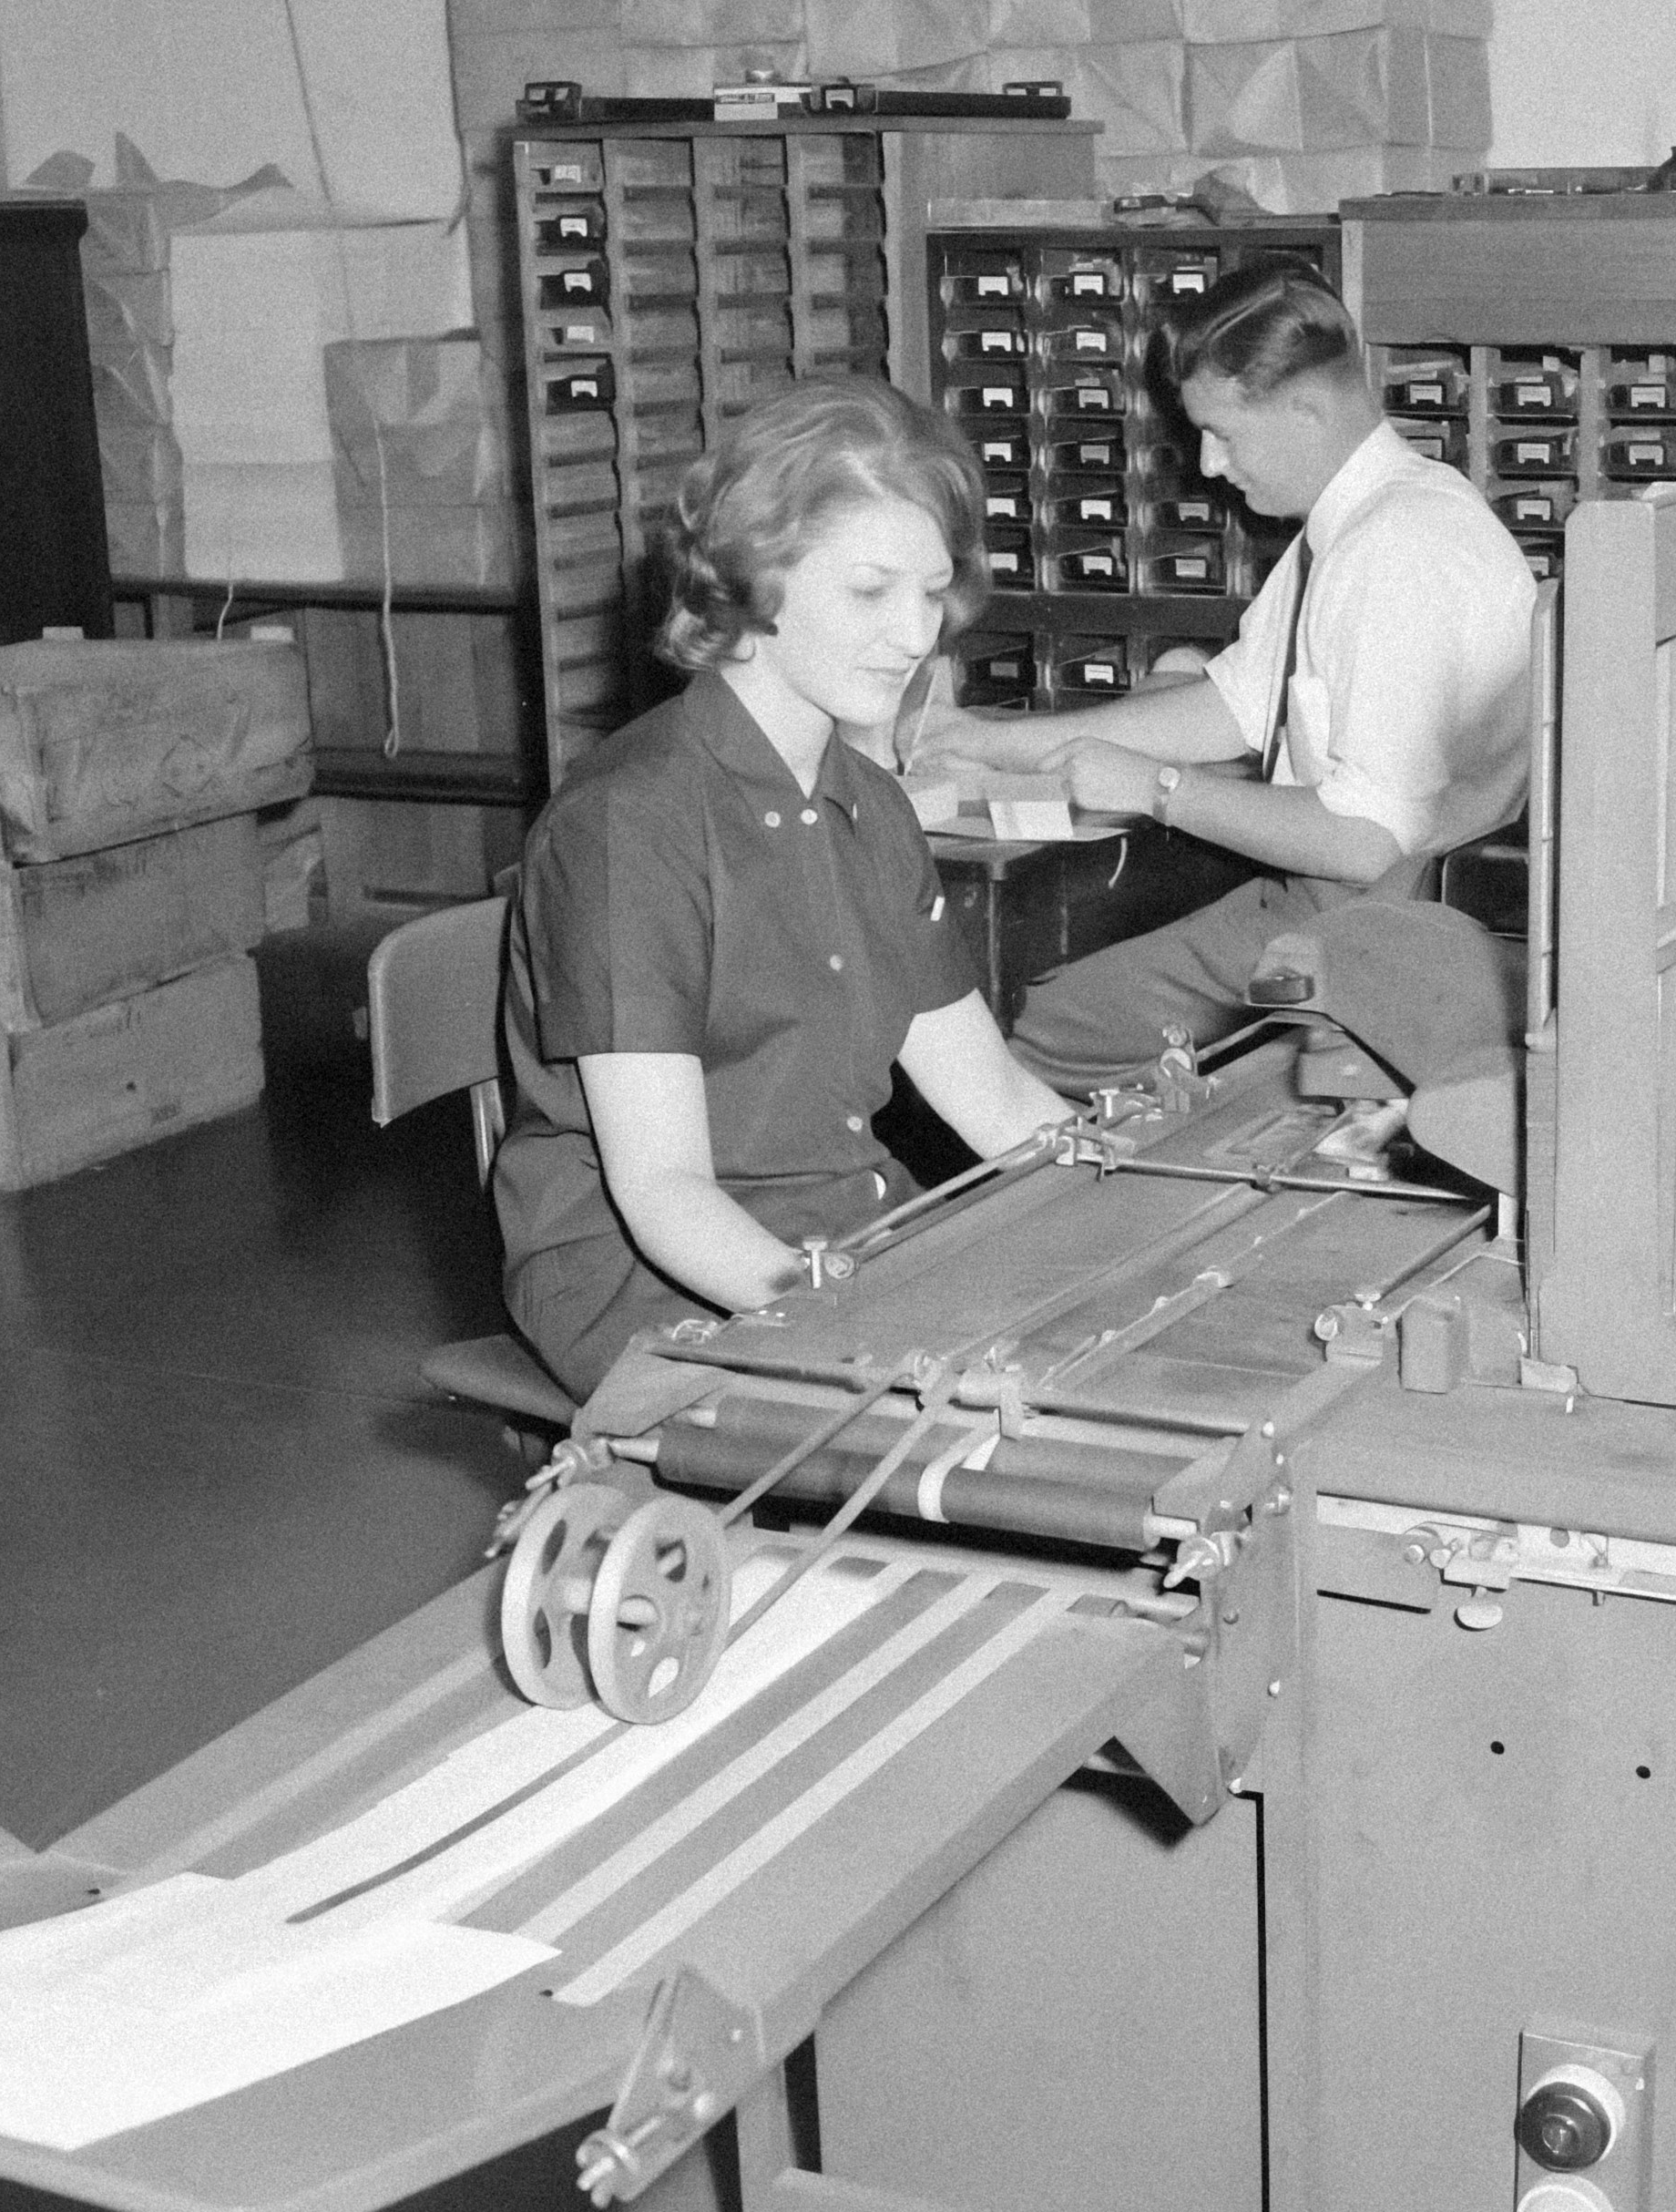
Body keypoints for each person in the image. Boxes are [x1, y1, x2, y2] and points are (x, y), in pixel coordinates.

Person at [493, 378, 1074, 1399]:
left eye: (931, 591)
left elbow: (990, 1095)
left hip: (838, 1224)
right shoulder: (632, 823)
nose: (915, 635)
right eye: (869, 591)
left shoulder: (870, 807)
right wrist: (854, 1332)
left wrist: (1138, 1186)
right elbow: (663, 1191)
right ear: (753, 580)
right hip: (650, 1271)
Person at [917, 259, 1538, 1094]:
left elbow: (1364, 842)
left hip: (1376, 923)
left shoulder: (1396, 549)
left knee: (1020, 1033)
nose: (1208, 464)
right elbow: (1232, 707)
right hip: (1355, 896)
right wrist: (994, 744)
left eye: (1224, 433)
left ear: (1306, 411)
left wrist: (1156, 788)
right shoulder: (1375, 513)